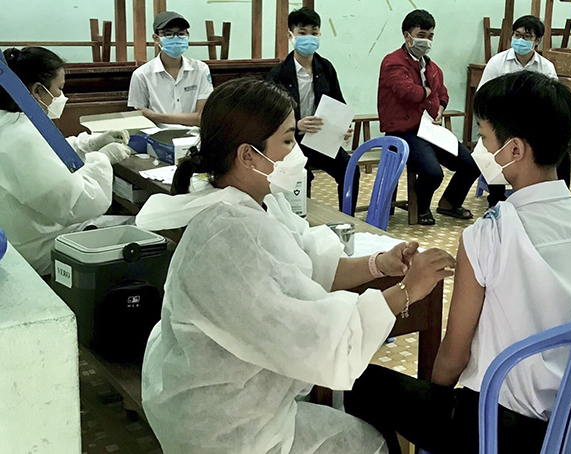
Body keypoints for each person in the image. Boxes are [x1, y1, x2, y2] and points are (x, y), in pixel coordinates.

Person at [134, 77, 455, 454]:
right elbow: (319, 336)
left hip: (245, 395)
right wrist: (408, 291)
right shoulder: (229, 235)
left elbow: (310, 264)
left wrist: (379, 264)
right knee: (370, 443)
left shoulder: (261, 200)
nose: (297, 151)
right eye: (287, 140)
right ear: (247, 155)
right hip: (225, 424)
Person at [345, 72, 571, 454]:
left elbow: (455, 356)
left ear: (515, 151)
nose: (479, 148)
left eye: (486, 139)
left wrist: (435, 398)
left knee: (359, 383)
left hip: (492, 430)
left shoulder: (490, 235)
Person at [0, 47, 132, 276]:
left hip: (24, 236)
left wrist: (88, 144)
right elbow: (81, 204)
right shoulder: (23, 138)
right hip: (37, 251)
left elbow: (50, 154)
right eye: (59, 89)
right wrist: (102, 159)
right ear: (38, 91)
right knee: (143, 231)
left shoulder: (11, 121)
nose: (62, 97)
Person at [378, 9, 480, 225]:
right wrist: (427, 92)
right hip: (404, 130)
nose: (426, 40)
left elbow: (443, 93)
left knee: (471, 164)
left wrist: (440, 107)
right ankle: (421, 207)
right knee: (433, 173)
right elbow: (409, 92)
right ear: (407, 35)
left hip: (430, 129)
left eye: (430, 36)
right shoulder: (393, 62)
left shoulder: (431, 67)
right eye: (421, 35)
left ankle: (449, 203)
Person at [266, 7, 358, 214]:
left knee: (350, 169)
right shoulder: (278, 74)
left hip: (321, 141)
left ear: (320, 34)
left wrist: (343, 127)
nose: (309, 38)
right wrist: (295, 124)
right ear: (291, 35)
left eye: (314, 32)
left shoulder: (326, 68)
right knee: (300, 176)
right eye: (302, 32)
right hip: (291, 143)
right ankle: (299, 221)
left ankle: (349, 219)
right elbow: (270, 115)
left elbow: (339, 104)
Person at [478, 15, 571, 206]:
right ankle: (496, 200)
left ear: (537, 41)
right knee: (494, 151)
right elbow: (483, 97)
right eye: (517, 35)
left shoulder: (546, 67)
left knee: (563, 155)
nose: (520, 40)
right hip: (502, 125)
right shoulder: (497, 63)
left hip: (533, 128)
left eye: (526, 37)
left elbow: (551, 103)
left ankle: (558, 200)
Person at [128, 11, 213, 127]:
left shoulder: (201, 69)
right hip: (158, 138)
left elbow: (201, 117)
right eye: (168, 34)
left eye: (181, 33)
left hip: (195, 137)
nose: (176, 38)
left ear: (187, 35)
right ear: (156, 38)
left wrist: (156, 116)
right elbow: (139, 117)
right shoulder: (141, 75)